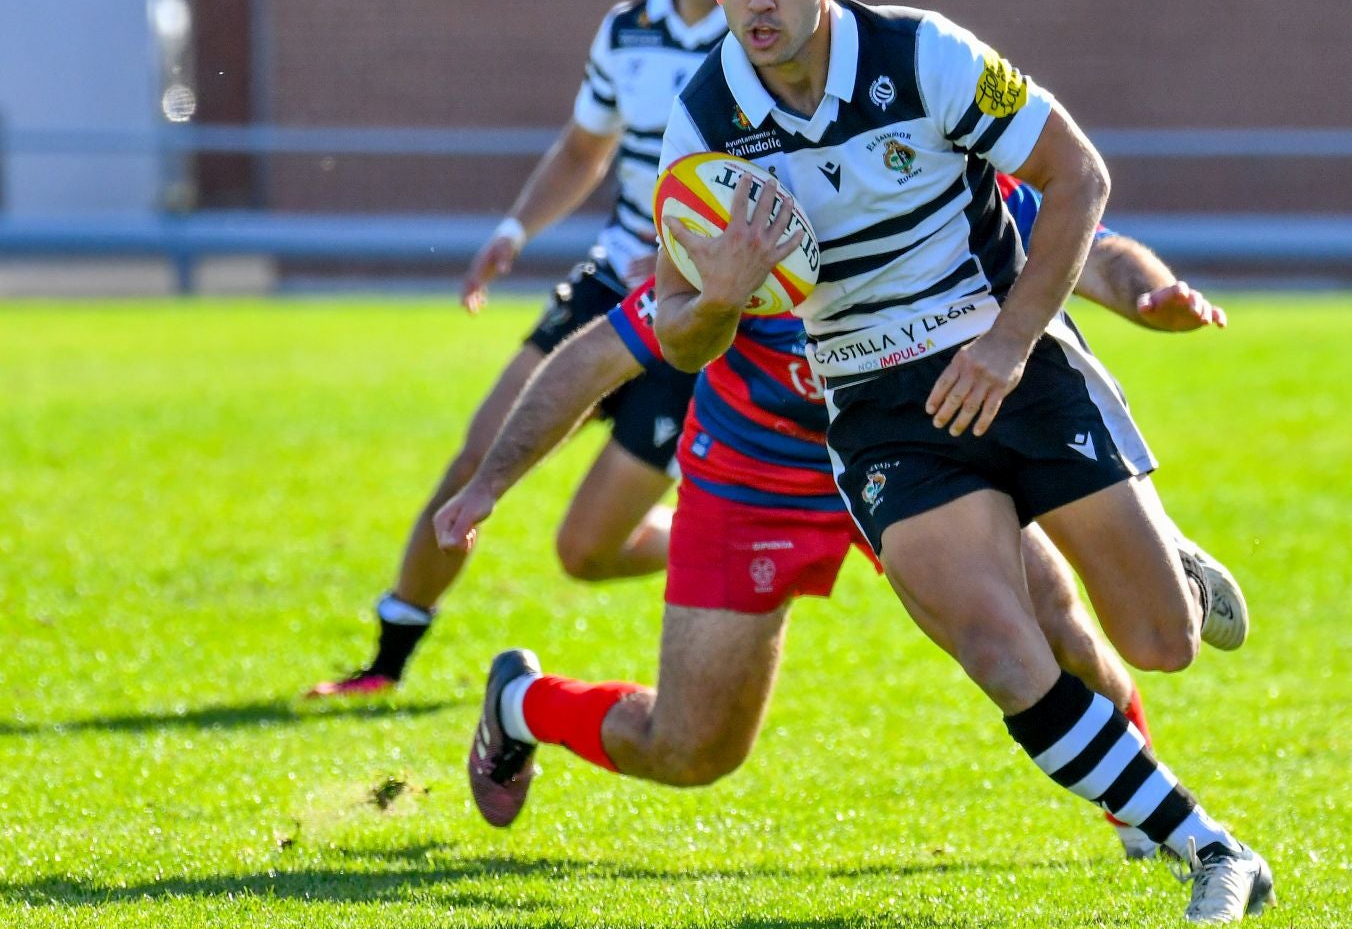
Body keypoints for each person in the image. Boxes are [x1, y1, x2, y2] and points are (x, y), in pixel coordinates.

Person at [645, 0, 1272, 923]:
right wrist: (725, 296)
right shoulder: (703, 119)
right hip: (879, 408)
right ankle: (1211, 846)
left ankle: (1166, 555)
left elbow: (1080, 179)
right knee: (999, 646)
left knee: (1158, 642)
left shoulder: (925, 54)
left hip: (1011, 359)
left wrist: (1014, 338)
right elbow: (676, 334)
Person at [440, 177, 1226, 861]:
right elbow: (597, 355)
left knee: (1063, 630)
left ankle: (1147, 816)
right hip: (758, 474)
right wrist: (491, 480)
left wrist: (1151, 297)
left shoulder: (926, 166)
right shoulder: (756, 227)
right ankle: (521, 703)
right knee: (691, 748)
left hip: (922, 457)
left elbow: (1088, 243)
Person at [307, 0, 749, 699]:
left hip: (699, 316)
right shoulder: (627, 31)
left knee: (585, 554)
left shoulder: (758, 42)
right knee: (481, 451)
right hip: (610, 284)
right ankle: (387, 659)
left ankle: (755, 537)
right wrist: (516, 227)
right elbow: (585, 147)